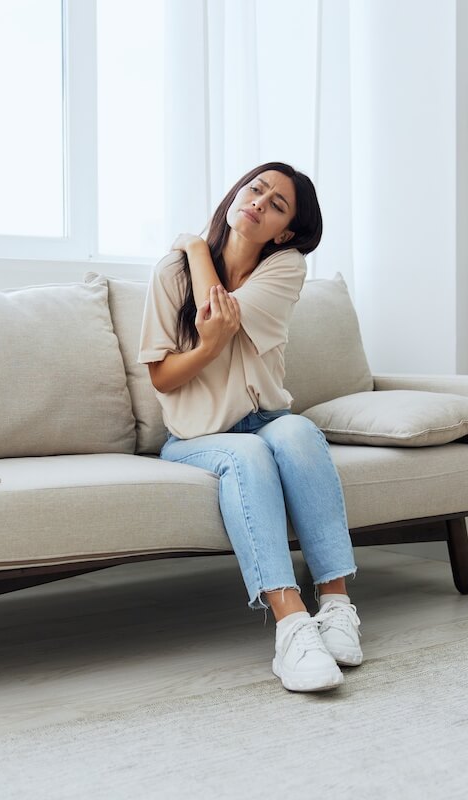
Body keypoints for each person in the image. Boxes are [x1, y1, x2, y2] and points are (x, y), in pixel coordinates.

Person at [137, 161, 361, 693]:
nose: (258, 201)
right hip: (198, 437)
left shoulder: (285, 268)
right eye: (255, 188)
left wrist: (197, 250)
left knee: (300, 432)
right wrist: (209, 344)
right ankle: (291, 627)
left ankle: (336, 606)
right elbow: (163, 378)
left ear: (284, 231)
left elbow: (224, 313)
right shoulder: (170, 274)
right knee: (250, 455)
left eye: (276, 204)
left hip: (267, 419)